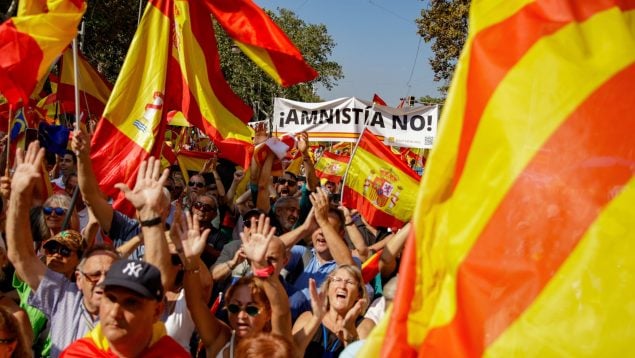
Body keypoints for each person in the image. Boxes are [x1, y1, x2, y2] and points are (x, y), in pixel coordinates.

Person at [6, 142, 119, 356]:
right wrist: (18, 196)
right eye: (94, 274)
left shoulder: (128, 313)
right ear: (79, 278)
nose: (102, 280)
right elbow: (20, 255)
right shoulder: (62, 296)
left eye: (109, 275)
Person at [179, 213, 291, 357]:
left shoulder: (276, 345)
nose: (241, 315)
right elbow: (195, 303)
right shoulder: (220, 338)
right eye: (234, 307)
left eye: (251, 309)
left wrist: (262, 266)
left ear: (268, 313)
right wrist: (192, 263)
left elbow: (282, 312)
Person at [60, 259, 189, 357]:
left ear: (156, 311)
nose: (115, 313)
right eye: (111, 298)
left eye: (131, 303)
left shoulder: (175, 355)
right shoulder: (76, 354)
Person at [292, 265, 368, 357]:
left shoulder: (364, 325)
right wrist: (316, 318)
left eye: (350, 282)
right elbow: (290, 353)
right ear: (327, 289)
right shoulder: (308, 317)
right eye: (338, 280)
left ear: (358, 295)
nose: (342, 286)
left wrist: (349, 331)